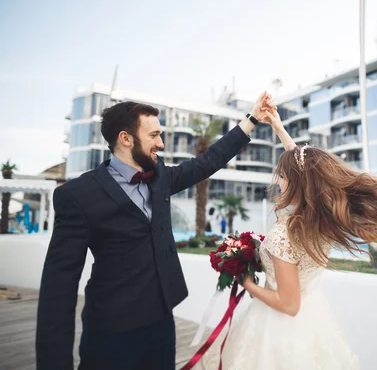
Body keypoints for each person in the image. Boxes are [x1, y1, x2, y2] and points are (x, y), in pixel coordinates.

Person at [35, 92, 275, 370]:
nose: (161, 143)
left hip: (162, 322)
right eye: (154, 136)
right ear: (126, 138)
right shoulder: (77, 195)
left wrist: (252, 119)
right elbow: (58, 288)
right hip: (111, 331)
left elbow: (208, 161)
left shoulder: (160, 176)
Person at [199, 107, 377, 369]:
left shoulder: (285, 233)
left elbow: (289, 305)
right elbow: (307, 169)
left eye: (282, 176)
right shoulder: (321, 223)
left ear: (295, 182)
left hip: (277, 328)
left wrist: (247, 282)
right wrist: (279, 129)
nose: (278, 181)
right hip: (312, 321)